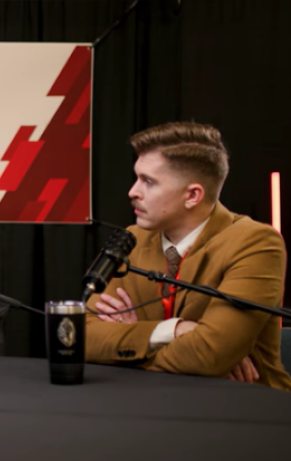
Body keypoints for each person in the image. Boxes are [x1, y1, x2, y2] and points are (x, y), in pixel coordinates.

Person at [86, 122, 291, 391]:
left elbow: (209, 355)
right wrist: (172, 330)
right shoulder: (132, 239)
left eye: (149, 182)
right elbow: (81, 338)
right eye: (137, 178)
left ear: (193, 195)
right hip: (150, 399)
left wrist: (129, 345)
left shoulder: (256, 243)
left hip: (242, 402)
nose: (133, 191)